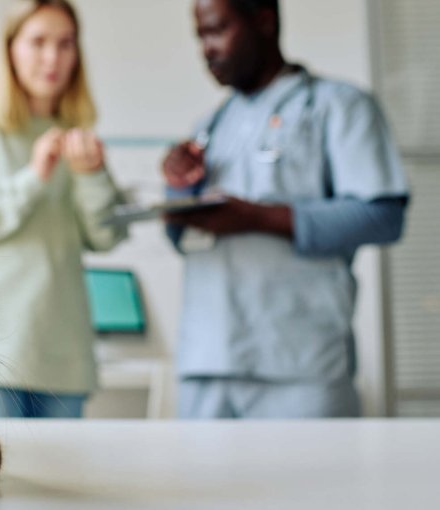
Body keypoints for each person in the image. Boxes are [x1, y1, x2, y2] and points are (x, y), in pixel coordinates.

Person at [162, 0, 409, 419]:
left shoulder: (339, 106)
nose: (206, 48)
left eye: (217, 30)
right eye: (200, 36)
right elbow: (185, 239)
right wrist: (176, 192)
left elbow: (382, 215)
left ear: (263, 21)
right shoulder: (208, 127)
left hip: (300, 366)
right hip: (208, 362)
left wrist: (256, 217)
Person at [0, 0, 126, 418]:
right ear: (11, 49)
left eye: (65, 44)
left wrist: (91, 175)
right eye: (38, 42)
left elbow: (105, 236)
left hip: (65, 360)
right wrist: (33, 178)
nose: (53, 57)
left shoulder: (79, 138)